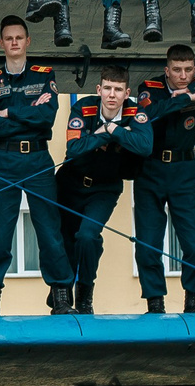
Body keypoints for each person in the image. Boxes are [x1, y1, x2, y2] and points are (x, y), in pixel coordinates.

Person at [130, 44, 195, 312]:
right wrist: (187, 98)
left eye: (188, 70)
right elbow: (151, 114)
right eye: (177, 70)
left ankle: (194, 301)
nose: (183, 75)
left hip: (184, 170)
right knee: (147, 245)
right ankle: (155, 302)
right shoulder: (149, 88)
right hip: (150, 170)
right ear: (167, 71)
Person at [0, 17, 58, 315]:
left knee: (49, 228)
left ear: (27, 41)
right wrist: (27, 112)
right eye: (8, 38)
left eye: (19, 38)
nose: (14, 43)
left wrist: (10, 111)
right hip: (5, 160)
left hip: (38, 158)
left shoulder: (44, 75)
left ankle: (60, 297)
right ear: (1, 43)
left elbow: (47, 118)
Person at [50, 64, 151, 314]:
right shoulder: (83, 107)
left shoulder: (136, 113)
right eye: (107, 88)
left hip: (105, 189)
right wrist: (113, 134)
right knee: (63, 240)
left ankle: (84, 294)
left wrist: (109, 129)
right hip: (70, 183)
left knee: (87, 237)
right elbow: (73, 149)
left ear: (127, 93)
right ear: (99, 89)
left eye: (118, 89)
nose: (112, 95)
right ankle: (61, 298)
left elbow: (145, 146)